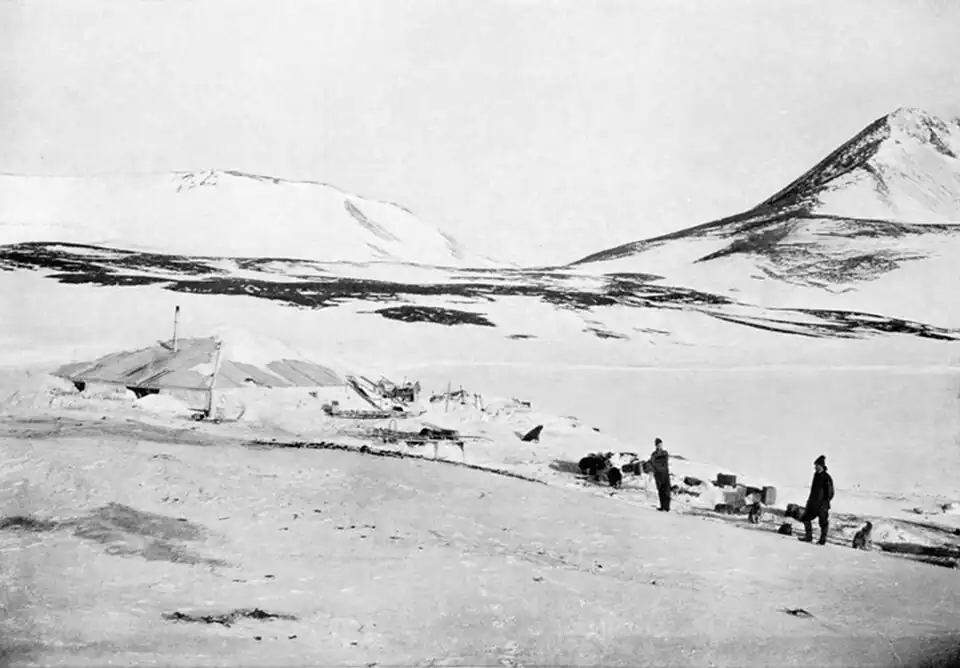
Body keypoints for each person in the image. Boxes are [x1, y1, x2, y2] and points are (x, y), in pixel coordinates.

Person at [799, 455, 834, 545]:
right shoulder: (816, 475)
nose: (815, 467)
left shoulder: (826, 478)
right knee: (805, 518)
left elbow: (830, 493)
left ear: (821, 466)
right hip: (812, 504)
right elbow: (813, 490)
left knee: (823, 523)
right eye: (815, 465)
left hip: (822, 505)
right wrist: (809, 501)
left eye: (816, 465)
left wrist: (824, 503)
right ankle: (808, 537)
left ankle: (822, 540)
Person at [649, 438, 671, 512]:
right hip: (658, 475)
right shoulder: (653, 454)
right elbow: (652, 463)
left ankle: (667, 507)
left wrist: (656, 464)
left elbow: (664, 462)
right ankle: (662, 506)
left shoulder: (665, 453)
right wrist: (652, 470)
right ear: (656, 445)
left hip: (665, 474)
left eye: (661, 444)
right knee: (660, 490)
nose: (660, 446)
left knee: (667, 490)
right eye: (658, 445)